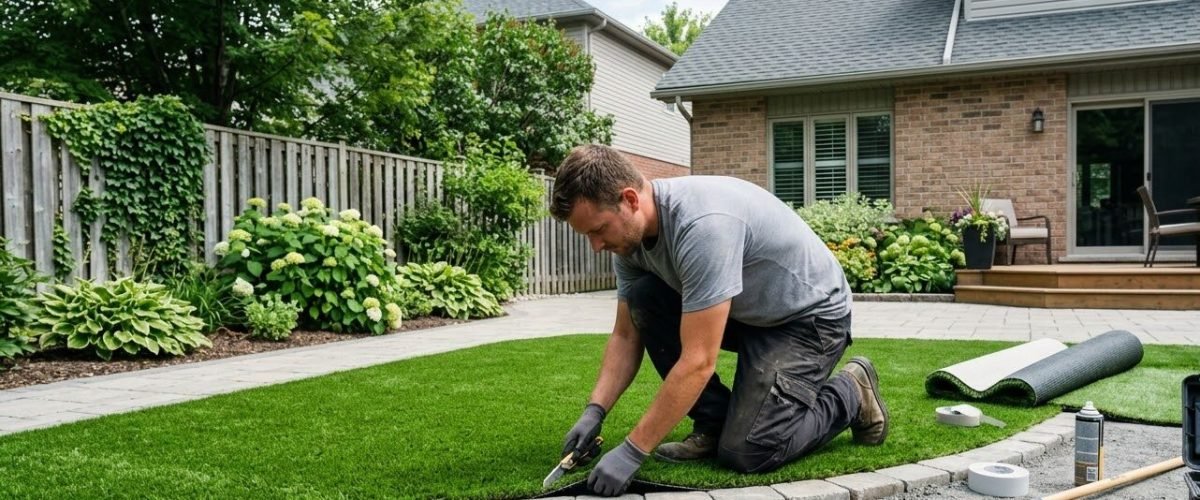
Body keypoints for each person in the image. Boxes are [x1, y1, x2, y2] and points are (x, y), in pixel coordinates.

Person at [550, 144, 889, 497]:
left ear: (630, 200)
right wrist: (595, 410)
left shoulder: (702, 226)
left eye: (598, 230)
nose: (595, 245)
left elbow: (698, 360)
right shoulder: (629, 243)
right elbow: (625, 336)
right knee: (645, 299)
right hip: (750, 310)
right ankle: (713, 425)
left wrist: (634, 450)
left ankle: (852, 392)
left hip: (809, 319)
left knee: (749, 451)